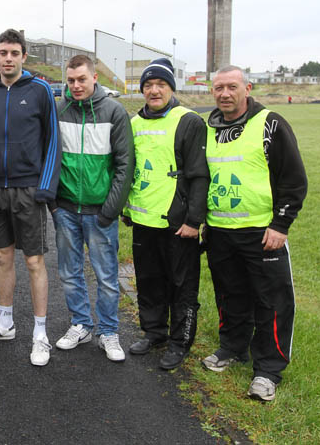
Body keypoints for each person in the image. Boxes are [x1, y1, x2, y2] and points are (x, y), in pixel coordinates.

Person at [202, 65, 307, 401]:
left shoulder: (271, 123)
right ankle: (232, 348)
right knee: (230, 296)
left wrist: (281, 225)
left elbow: (293, 178)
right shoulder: (209, 126)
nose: (224, 94)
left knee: (272, 301)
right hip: (220, 231)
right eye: (218, 88)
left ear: (247, 87)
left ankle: (268, 370)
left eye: (231, 86)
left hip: (262, 233)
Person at [0, 29, 62, 366]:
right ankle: (4, 323)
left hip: (28, 191)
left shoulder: (40, 90)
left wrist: (46, 187)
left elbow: (53, 141)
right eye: (2, 52)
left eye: (14, 52)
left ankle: (40, 334)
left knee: (34, 262)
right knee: (3, 257)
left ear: (24, 56)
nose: (8, 58)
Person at [123, 58, 208, 370]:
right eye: (148, 85)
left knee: (181, 285)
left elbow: (199, 175)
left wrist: (193, 220)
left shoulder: (188, 121)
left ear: (171, 89)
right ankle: (154, 332)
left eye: (160, 85)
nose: (154, 90)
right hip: (144, 220)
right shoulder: (134, 123)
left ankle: (179, 341)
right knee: (148, 280)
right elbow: (129, 170)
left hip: (178, 224)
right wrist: (127, 209)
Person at [51, 55, 134, 362]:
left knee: (107, 276)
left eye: (81, 79)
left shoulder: (114, 111)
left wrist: (110, 210)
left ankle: (109, 331)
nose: (76, 86)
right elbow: (49, 157)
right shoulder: (59, 110)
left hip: (100, 212)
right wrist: (55, 205)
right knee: (70, 273)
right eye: (71, 80)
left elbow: (125, 165)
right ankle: (81, 324)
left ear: (94, 77)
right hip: (66, 209)